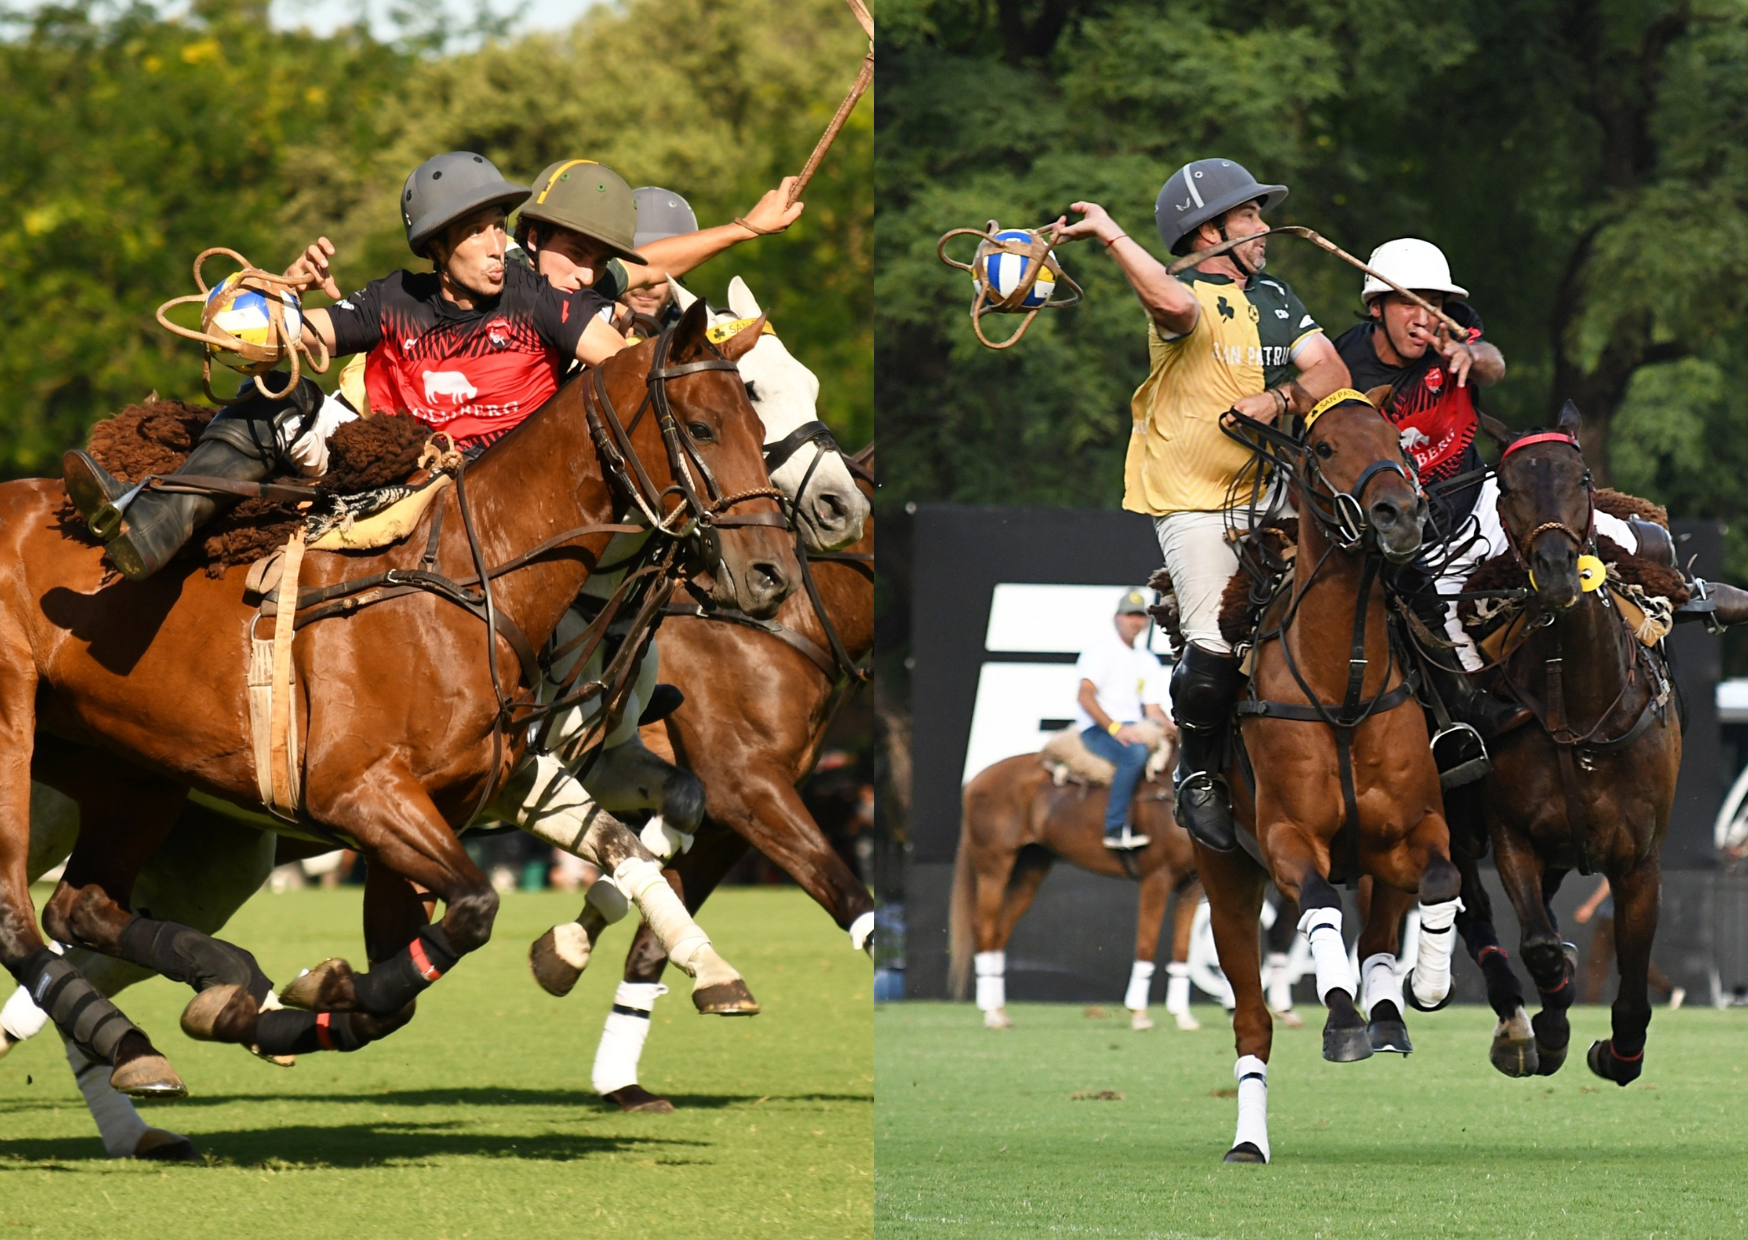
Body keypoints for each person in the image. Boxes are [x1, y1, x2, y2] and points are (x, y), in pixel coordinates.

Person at [64, 151, 628, 579]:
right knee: (278, 401)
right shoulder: (393, 298)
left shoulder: (539, 299)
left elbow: (630, 369)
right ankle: (151, 527)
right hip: (385, 468)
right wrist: (279, 296)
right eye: (475, 230)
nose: (493, 243)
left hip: (487, 490)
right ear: (437, 246)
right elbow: (274, 339)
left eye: (497, 226)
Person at [1050, 158, 1351, 853]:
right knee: (1216, 642)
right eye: (1248, 216)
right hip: (1195, 503)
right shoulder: (1181, 293)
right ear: (1207, 229)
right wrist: (1110, 235)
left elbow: (1328, 370)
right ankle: (1197, 774)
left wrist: (1280, 399)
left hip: (1276, 490)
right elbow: (1174, 308)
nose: (1263, 227)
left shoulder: (1276, 295)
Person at [1074, 588, 1173, 850]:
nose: (1135, 621)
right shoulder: (1100, 652)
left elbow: (1152, 709)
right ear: (1117, 617)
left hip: (1134, 726)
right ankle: (1115, 828)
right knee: (1135, 754)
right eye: (1130, 615)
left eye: (1140, 616)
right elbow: (1084, 696)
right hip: (1098, 729)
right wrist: (1115, 728)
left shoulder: (1147, 660)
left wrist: (1173, 726)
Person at [1574, 877, 1685, 1008]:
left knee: (1623, 961)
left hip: (1617, 918)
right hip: (1614, 917)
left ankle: (1669, 991)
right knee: (1600, 961)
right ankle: (1591, 1001)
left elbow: (1609, 882)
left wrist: (1590, 906)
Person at [624, 187, 703, 325]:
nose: (648, 282)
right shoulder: (578, 323)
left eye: (662, 267)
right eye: (636, 264)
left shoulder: (704, 329)